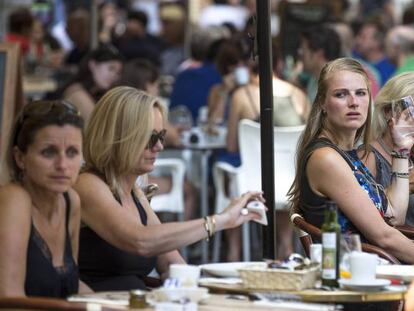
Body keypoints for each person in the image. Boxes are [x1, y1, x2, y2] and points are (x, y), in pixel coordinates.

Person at [74, 86, 263, 291]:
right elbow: (141, 241)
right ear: (119, 138)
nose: (159, 147)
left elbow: (172, 264)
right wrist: (219, 221)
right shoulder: (88, 184)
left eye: (161, 136)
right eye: (150, 138)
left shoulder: (135, 192)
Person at [288, 58, 414, 264]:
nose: (353, 102)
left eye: (361, 93)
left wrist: (401, 151)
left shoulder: (347, 152)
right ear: (322, 103)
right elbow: (384, 237)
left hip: (373, 266)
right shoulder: (326, 158)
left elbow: (394, 217)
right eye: (341, 94)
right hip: (352, 275)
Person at [0, 100, 87, 297]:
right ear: (20, 158)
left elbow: (69, 286)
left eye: (72, 152)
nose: (63, 165)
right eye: (49, 152)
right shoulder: (14, 200)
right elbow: (9, 300)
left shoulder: (70, 201)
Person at [362, 72, 414, 226]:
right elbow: (364, 215)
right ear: (387, 112)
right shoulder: (368, 157)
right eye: (412, 112)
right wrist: (408, 185)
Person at [61, 45, 123, 124]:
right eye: (111, 68)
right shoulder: (78, 94)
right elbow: (97, 129)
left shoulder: (92, 92)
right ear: (93, 64)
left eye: (118, 72)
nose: (114, 76)